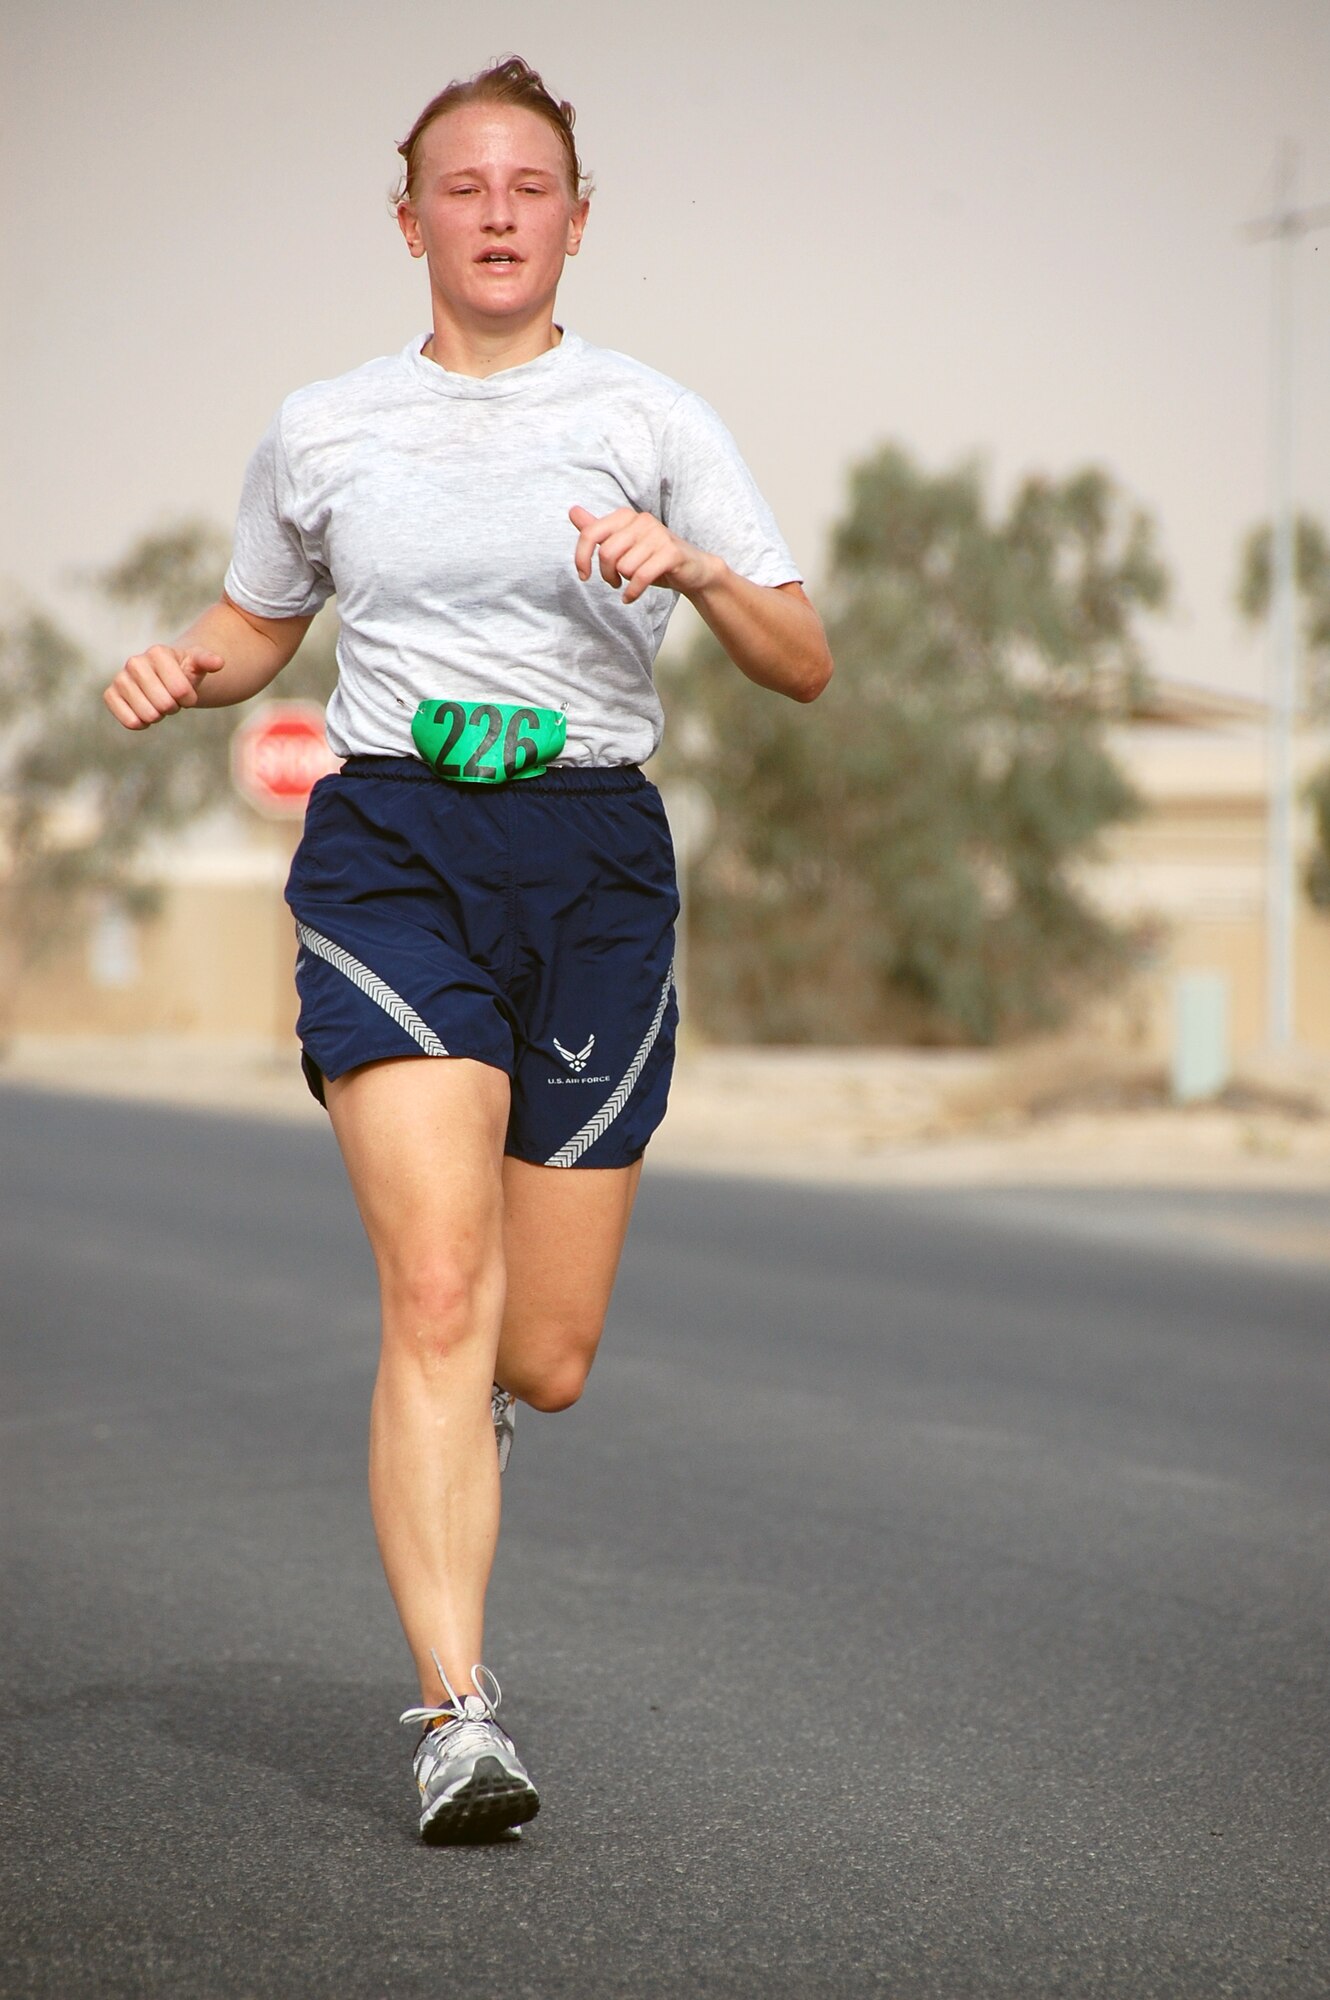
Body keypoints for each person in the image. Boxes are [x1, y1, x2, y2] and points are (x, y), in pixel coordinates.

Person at [103, 55, 832, 1844]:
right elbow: (260, 623)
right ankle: (454, 1715)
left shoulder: (653, 416)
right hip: (393, 846)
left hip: (589, 858)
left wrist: (694, 570)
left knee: (543, 1348)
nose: (496, 212)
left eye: (529, 186)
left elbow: (801, 658)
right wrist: (181, 666)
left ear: (577, 221)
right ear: (410, 217)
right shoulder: (328, 424)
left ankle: (470, 1432)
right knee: (437, 1290)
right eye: (463, 185)